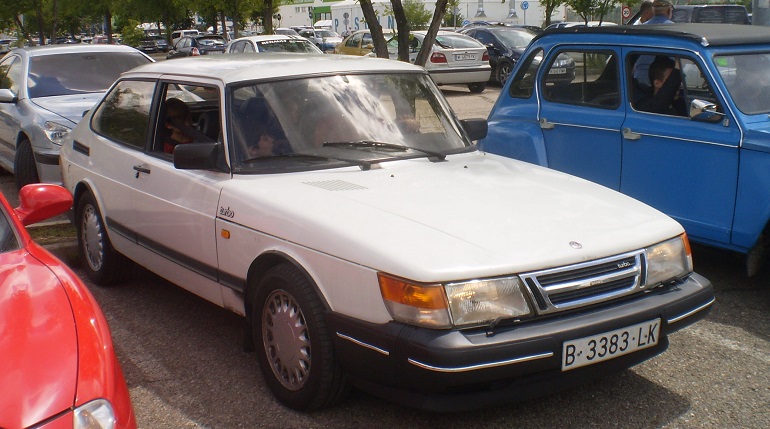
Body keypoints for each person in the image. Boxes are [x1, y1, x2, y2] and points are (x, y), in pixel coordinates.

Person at [633, 0, 675, 86]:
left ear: (653, 10)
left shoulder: (639, 29)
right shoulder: (674, 30)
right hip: (664, 84)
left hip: (639, 82)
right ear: (669, 11)